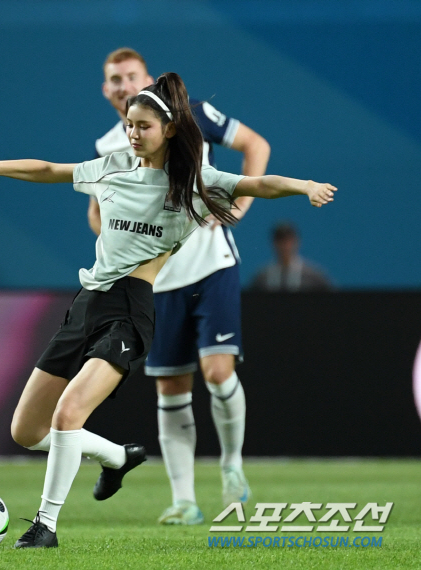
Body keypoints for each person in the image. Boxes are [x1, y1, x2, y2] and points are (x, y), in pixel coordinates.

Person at [0, 72, 335, 548]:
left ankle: (45, 526)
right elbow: (48, 169)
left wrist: (304, 185)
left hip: (131, 311)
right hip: (86, 304)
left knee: (68, 414)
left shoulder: (193, 181)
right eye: (129, 124)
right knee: (25, 430)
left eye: (143, 125)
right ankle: (117, 458)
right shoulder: (112, 165)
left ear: (167, 129)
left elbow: (260, 183)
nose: (132, 132)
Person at [90, 48, 271, 525]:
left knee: (216, 371)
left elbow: (256, 144)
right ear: (106, 91)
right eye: (115, 79)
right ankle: (184, 499)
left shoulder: (188, 116)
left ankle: (231, 464)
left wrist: (237, 208)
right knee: (170, 386)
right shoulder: (109, 145)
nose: (124, 84)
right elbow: (98, 213)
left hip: (212, 265)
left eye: (131, 76)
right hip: (160, 282)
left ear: (147, 78)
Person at [250, 222, 333, 291]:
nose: (285, 246)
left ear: (297, 242)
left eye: (288, 240)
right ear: (274, 244)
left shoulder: (313, 277)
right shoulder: (262, 278)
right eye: (280, 241)